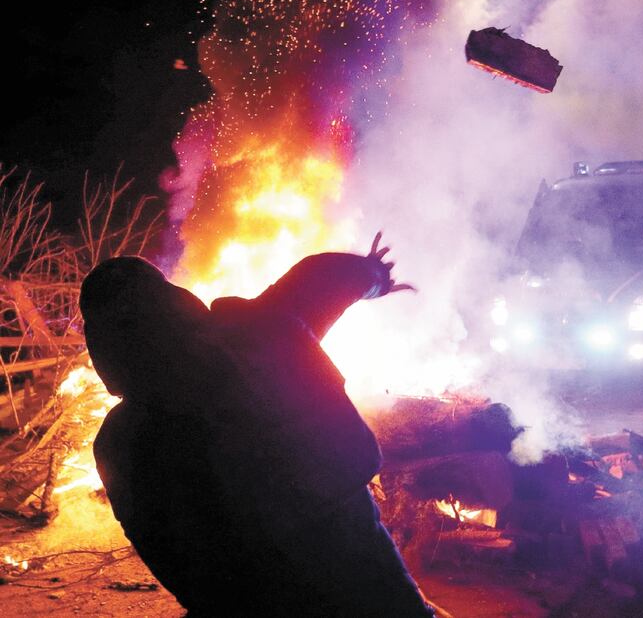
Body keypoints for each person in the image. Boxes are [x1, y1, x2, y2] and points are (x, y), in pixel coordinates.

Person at [80, 235, 437, 616]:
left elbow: (166, 548)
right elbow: (319, 280)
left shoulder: (119, 442)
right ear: (174, 298)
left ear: (102, 344)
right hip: (350, 544)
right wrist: (373, 274)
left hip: (247, 592)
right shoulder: (257, 332)